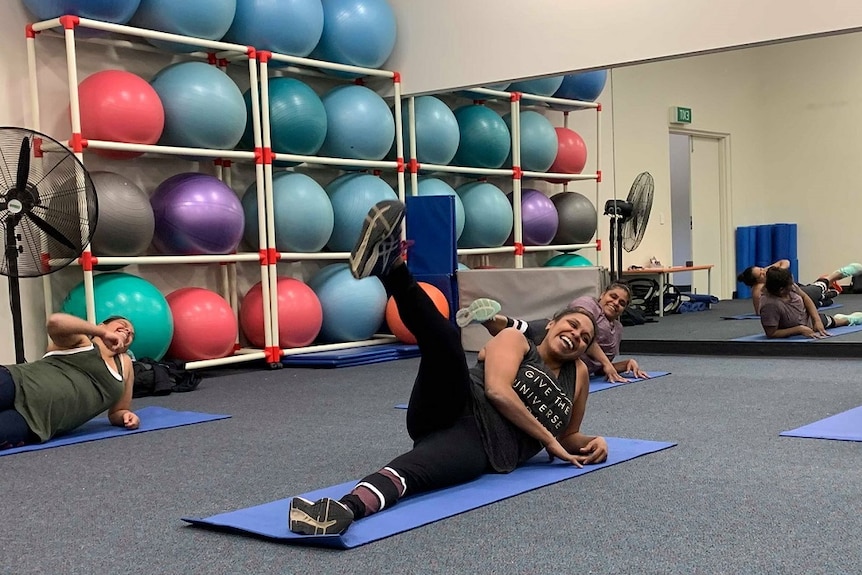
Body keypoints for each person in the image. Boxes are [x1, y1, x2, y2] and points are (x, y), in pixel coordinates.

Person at [288, 200, 608, 536]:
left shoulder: (580, 377)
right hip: (455, 401)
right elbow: (498, 392)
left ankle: (339, 512)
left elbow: (568, 435)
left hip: (481, 447)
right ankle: (392, 265)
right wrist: (547, 440)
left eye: (585, 338)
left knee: (411, 475)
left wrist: (592, 442)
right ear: (554, 322)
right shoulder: (517, 340)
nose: (576, 335)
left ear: (587, 349)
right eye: (572, 325)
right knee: (446, 341)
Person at [456, 282, 649, 383]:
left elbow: (598, 365)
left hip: (565, 355)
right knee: (520, 330)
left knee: (519, 346)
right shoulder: (587, 304)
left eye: (621, 303)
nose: (615, 303)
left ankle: (485, 318)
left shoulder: (618, 329)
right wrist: (608, 365)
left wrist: (624, 364)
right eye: (613, 297)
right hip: (551, 335)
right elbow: (585, 337)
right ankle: (487, 318)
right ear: (602, 295)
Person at [0, 313, 139, 449]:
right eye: (123, 325)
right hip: (14, 382)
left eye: (131, 334)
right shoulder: (81, 342)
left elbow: (118, 411)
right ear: (102, 326)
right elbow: (55, 321)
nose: (127, 331)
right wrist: (102, 333)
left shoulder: (125, 364)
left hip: (35, 421)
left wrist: (126, 416)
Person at [759, 267, 862, 339]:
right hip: (804, 322)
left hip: (806, 301)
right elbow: (771, 333)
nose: (793, 285)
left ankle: (837, 274)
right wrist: (799, 329)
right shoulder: (769, 305)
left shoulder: (790, 286)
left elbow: (805, 297)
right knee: (839, 321)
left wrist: (816, 320)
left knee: (818, 288)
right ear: (781, 290)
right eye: (790, 284)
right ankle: (848, 318)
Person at [737, 259, 862, 314]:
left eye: (762, 269)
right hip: (794, 300)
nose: (764, 271)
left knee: (818, 289)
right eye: (761, 273)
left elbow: (785, 262)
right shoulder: (759, 289)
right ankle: (830, 290)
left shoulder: (768, 276)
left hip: (800, 292)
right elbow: (761, 311)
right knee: (826, 301)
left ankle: (834, 276)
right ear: (756, 281)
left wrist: (776, 271)